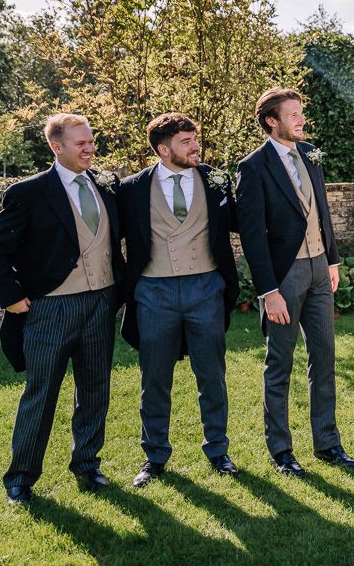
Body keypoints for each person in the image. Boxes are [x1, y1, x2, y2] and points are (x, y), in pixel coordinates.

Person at [0, 113, 124, 506]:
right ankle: (21, 478)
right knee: (41, 392)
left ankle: (87, 464)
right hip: (50, 309)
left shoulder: (104, 187)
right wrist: (11, 299)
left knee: (95, 389)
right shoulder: (29, 192)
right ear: (56, 146)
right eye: (80, 142)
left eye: (91, 140)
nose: (89, 148)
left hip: (101, 302)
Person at [236, 88, 354, 476]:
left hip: (320, 268)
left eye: (301, 113)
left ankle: (328, 443)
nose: (301, 120)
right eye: (293, 115)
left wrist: (333, 260)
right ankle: (282, 451)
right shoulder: (253, 167)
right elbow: (252, 236)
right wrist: (268, 292)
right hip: (284, 276)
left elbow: (321, 209)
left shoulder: (310, 155)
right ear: (272, 121)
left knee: (324, 358)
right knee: (280, 364)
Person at [118, 113, 240, 487]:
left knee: (211, 375)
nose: (195, 147)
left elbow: (243, 221)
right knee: (154, 377)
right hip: (153, 292)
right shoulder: (132, 188)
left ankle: (218, 450)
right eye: (186, 142)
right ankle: (154, 457)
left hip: (207, 288)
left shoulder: (216, 180)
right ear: (163, 148)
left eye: (194, 139)